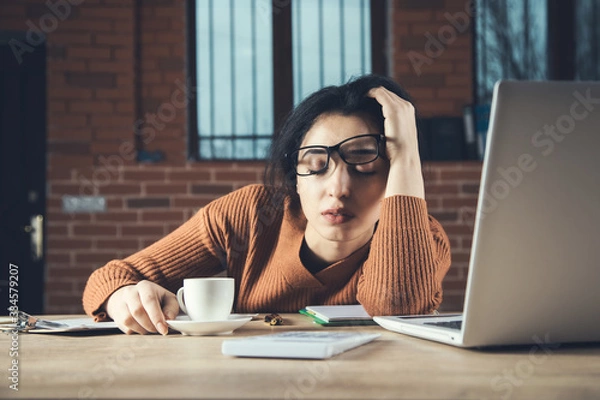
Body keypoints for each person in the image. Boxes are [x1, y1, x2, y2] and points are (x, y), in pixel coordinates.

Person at [82, 74, 452, 335]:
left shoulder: (422, 239)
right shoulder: (251, 215)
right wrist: (123, 299)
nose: (338, 188)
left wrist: (407, 155)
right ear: (295, 176)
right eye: (316, 162)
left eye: (364, 160)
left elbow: (398, 309)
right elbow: (109, 278)